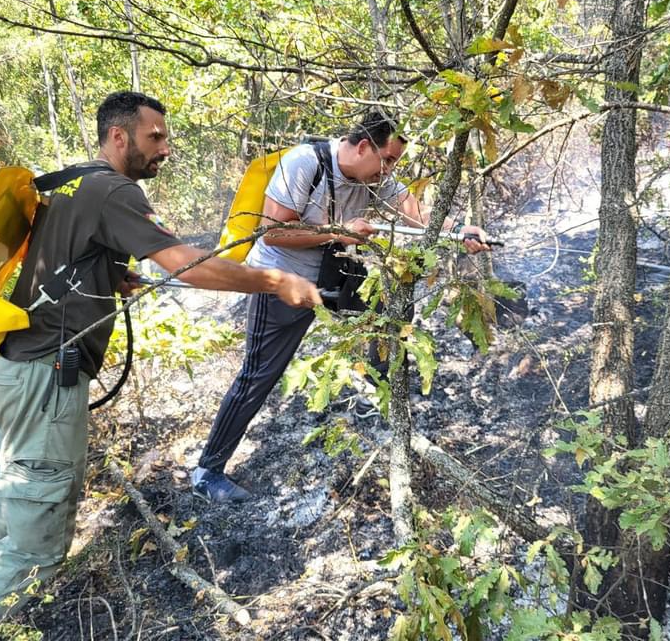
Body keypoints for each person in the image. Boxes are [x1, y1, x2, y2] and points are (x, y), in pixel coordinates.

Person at [0, 91, 321, 640]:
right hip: (47, 377)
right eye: (155, 136)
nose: (165, 148)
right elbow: (189, 266)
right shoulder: (115, 190)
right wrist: (275, 280)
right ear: (120, 137)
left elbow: (57, 259)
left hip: (11, 368)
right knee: (31, 547)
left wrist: (107, 278)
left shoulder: (65, 182)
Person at [192, 111, 489, 503]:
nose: (389, 170)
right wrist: (341, 232)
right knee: (260, 374)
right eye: (388, 159)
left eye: (395, 162)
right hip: (280, 281)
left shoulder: (373, 176)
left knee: (391, 309)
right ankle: (207, 471)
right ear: (365, 146)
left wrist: (458, 231)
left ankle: (379, 392)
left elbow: (415, 213)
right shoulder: (304, 163)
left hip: (332, 275)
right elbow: (273, 230)